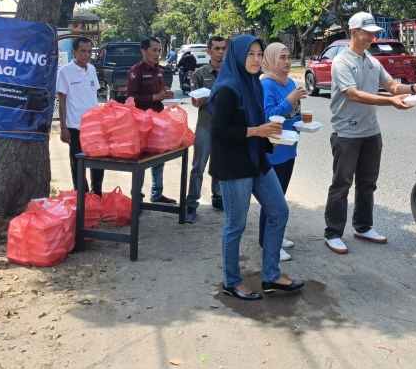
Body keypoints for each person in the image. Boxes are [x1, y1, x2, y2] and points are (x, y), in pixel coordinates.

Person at [324, 12, 416, 255]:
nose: (373, 38)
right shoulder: (342, 62)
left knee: (367, 183)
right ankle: (333, 232)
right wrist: (390, 102)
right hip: (346, 133)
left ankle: (363, 226)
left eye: (375, 33)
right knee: (341, 184)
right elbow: (352, 94)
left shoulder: (371, 61)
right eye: (369, 33)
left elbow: (393, 86)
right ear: (354, 32)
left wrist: (415, 87)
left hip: (370, 132)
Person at [209, 35, 305, 301]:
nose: (256, 59)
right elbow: (219, 133)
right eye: (250, 54)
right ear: (238, 56)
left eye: (259, 54)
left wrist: (268, 132)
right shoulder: (227, 88)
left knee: (278, 210)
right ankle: (232, 281)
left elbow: (259, 118)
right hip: (234, 165)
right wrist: (256, 130)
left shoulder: (254, 83)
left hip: (257, 160)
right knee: (235, 225)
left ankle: (271, 275)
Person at [260, 42, 307, 262]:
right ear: (269, 59)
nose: (287, 62)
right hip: (274, 149)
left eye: (288, 57)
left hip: (290, 147)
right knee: (271, 199)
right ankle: (267, 242)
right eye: (282, 58)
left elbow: (294, 114)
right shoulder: (266, 84)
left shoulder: (290, 83)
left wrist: (300, 121)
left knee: (281, 196)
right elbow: (269, 116)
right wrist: (290, 100)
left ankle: (276, 235)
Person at [127, 37, 176, 204]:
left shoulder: (159, 70)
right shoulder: (136, 71)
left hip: (158, 119)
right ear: (143, 50)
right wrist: (155, 96)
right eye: (154, 50)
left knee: (159, 157)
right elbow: (131, 98)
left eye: (159, 50)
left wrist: (166, 93)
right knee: (141, 159)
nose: (157, 54)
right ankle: (136, 198)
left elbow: (160, 91)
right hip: (141, 121)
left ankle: (157, 193)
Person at [186, 36, 228, 223]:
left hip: (226, 126)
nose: (220, 52)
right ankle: (191, 204)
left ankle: (218, 197)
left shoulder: (232, 73)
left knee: (221, 164)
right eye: (217, 48)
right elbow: (195, 101)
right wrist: (200, 100)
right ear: (209, 51)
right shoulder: (200, 74)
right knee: (198, 167)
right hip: (206, 125)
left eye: (223, 48)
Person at [57, 37, 104, 194]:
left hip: (94, 127)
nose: (86, 55)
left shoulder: (91, 69)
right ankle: (82, 199)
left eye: (89, 51)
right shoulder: (65, 72)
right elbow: (62, 101)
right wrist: (63, 128)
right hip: (75, 127)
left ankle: (97, 195)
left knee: (98, 163)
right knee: (78, 165)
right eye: (83, 51)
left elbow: (93, 97)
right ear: (74, 52)